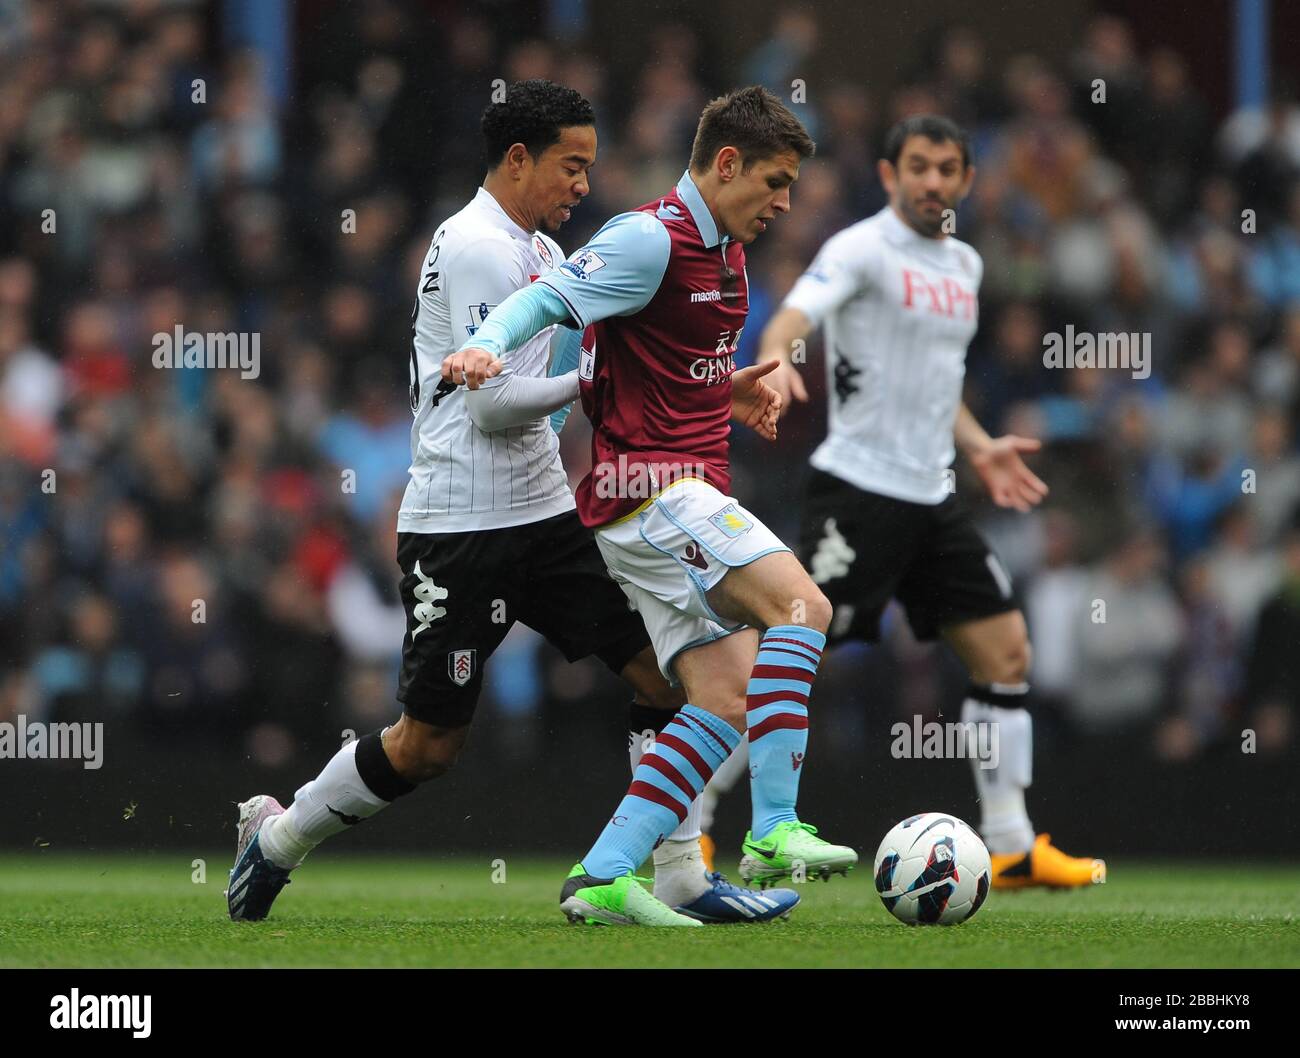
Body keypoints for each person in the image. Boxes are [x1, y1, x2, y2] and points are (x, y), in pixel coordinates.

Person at [227, 80, 796, 925]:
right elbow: (492, 405)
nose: (581, 185)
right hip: (460, 528)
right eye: (571, 166)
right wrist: (591, 378)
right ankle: (276, 839)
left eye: (590, 167)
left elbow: (596, 374)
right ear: (518, 159)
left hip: (547, 516)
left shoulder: (542, 251)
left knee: (671, 674)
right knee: (427, 746)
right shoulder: (477, 245)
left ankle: (675, 875)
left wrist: (708, 391)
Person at [446, 86, 858, 925]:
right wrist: (488, 344)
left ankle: (601, 876)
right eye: (774, 183)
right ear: (728, 163)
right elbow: (553, 298)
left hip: (672, 494)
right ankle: (775, 828)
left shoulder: (729, 250)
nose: (784, 203)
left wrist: (728, 392)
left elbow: (662, 364)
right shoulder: (649, 236)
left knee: (724, 698)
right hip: (651, 493)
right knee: (803, 605)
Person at [753, 114, 1105, 889]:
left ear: (967, 181)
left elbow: (938, 381)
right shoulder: (859, 248)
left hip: (932, 496)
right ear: (889, 175)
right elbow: (793, 314)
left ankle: (1010, 847)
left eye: (948, 168)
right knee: (778, 655)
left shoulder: (968, 267)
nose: (933, 181)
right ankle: (700, 832)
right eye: (918, 166)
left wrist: (978, 445)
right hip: (857, 488)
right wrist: (776, 358)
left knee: (1006, 651)